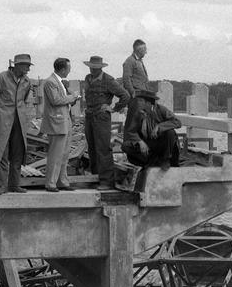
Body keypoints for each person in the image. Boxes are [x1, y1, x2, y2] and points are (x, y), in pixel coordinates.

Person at [0, 54, 36, 195]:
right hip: (3, 120)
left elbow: (24, 99)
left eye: (29, 66)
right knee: (2, 153)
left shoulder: (26, 81)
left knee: (18, 153)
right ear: (17, 65)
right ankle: (1, 185)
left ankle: (15, 184)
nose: (28, 69)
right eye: (26, 66)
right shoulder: (1, 78)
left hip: (19, 121)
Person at [81, 55, 130, 190]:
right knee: (92, 147)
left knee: (103, 148)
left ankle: (106, 181)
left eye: (95, 68)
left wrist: (113, 108)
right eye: (91, 67)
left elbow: (125, 96)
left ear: (100, 68)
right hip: (90, 115)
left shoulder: (108, 80)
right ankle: (96, 177)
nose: (92, 70)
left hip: (102, 117)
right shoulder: (88, 78)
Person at [40, 57, 81, 192]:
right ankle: (51, 183)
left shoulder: (60, 83)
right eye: (68, 68)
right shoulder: (50, 82)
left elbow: (62, 101)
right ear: (63, 69)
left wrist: (71, 99)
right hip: (57, 122)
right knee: (55, 154)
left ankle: (62, 181)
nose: (69, 71)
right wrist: (73, 97)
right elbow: (56, 100)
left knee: (64, 154)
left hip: (64, 121)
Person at [123, 83, 181, 170]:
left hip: (162, 143)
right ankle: (151, 161)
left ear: (148, 103)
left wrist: (160, 126)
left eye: (141, 101)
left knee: (170, 132)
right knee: (126, 146)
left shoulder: (161, 110)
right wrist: (140, 142)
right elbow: (131, 131)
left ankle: (165, 159)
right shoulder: (138, 113)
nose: (139, 103)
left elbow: (177, 122)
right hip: (148, 142)